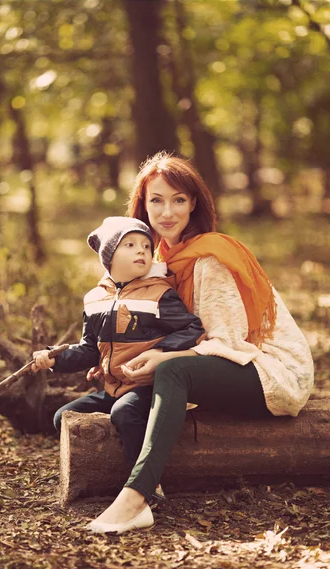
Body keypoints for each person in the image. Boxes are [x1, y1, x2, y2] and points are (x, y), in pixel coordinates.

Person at [85, 152, 314, 534]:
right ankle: (148, 481)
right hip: (221, 363)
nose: (167, 211)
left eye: (178, 200)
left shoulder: (209, 258)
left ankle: (137, 497)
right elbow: (165, 330)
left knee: (173, 369)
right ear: (142, 205)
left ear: (194, 203)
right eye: (155, 200)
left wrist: (164, 356)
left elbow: (228, 342)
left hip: (272, 371)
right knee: (145, 386)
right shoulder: (158, 259)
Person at [32, 216, 205, 506]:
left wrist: (162, 351)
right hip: (112, 387)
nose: (141, 251)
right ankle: (110, 463)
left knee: (124, 413)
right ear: (109, 256)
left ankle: (149, 485)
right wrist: (54, 359)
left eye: (147, 247)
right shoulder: (95, 300)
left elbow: (192, 328)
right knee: (62, 417)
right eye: (130, 245)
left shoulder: (159, 294)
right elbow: (89, 350)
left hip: (147, 385)